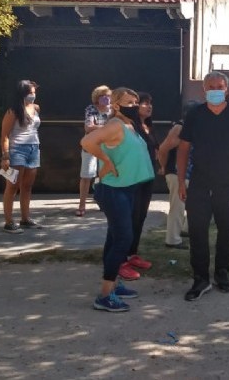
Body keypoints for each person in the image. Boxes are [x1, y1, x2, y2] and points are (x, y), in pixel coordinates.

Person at [178, 71, 229, 302]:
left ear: (226, 89)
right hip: (200, 184)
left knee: (226, 231)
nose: (215, 89)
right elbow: (183, 149)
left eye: (219, 86)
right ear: (204, 90)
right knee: (197, 232)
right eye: (210, 86)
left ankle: (222, 272)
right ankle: (200, 279)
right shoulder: (195, 115)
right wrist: (182, 179)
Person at [81, 87, 154, 312]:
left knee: (115, 237)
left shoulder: (130, 126)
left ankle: (113, 284)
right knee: (123, 238)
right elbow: (87, 141)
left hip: (126, 188)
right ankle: (105, 295)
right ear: (116, 105)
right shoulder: (114, 125)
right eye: (129, 102)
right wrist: (105, 160)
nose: (135, 105)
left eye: (136, 101)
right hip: (113, 190)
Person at [119, 92, 159, 280]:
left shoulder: (148, 126)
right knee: (128, 218)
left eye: (149, 103)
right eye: (143, 103)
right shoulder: (128, 126)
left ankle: (132, 253)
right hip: (132, 178)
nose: (148, 107)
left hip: (147, 178)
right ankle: (120, 261)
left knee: (140, 216)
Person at [0, 80, 42, 234]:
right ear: (22, 93)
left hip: (34, 148)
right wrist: (5, 156)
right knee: (12, 186)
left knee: (27, 186)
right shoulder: (13, 111)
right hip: (17, 149)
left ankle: (25, 219)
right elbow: (4, 136)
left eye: (34, 92)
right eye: (30, 92)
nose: (33, 95)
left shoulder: (36, 108)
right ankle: (9, 221)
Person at [157, 102, 198, 250]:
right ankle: (172, 240)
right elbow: (163, 148)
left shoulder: (191, 126)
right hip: (177, 173)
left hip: (189, 174)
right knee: (178, 207)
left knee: (189, 205)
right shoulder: (180, 127)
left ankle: (185, 230)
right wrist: (163, 166)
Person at [76, 85, 112, 217]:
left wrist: (100, 128)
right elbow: (88, 127)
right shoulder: (91, 109)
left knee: (105, 175)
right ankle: (82, 205)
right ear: (97, 98)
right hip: (91, 145)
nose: (107, 99)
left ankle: (103, 202)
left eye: (108, 96)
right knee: (86, 175)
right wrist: (106, 128)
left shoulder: (113, 110)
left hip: (107, 146)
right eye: (104, 96)